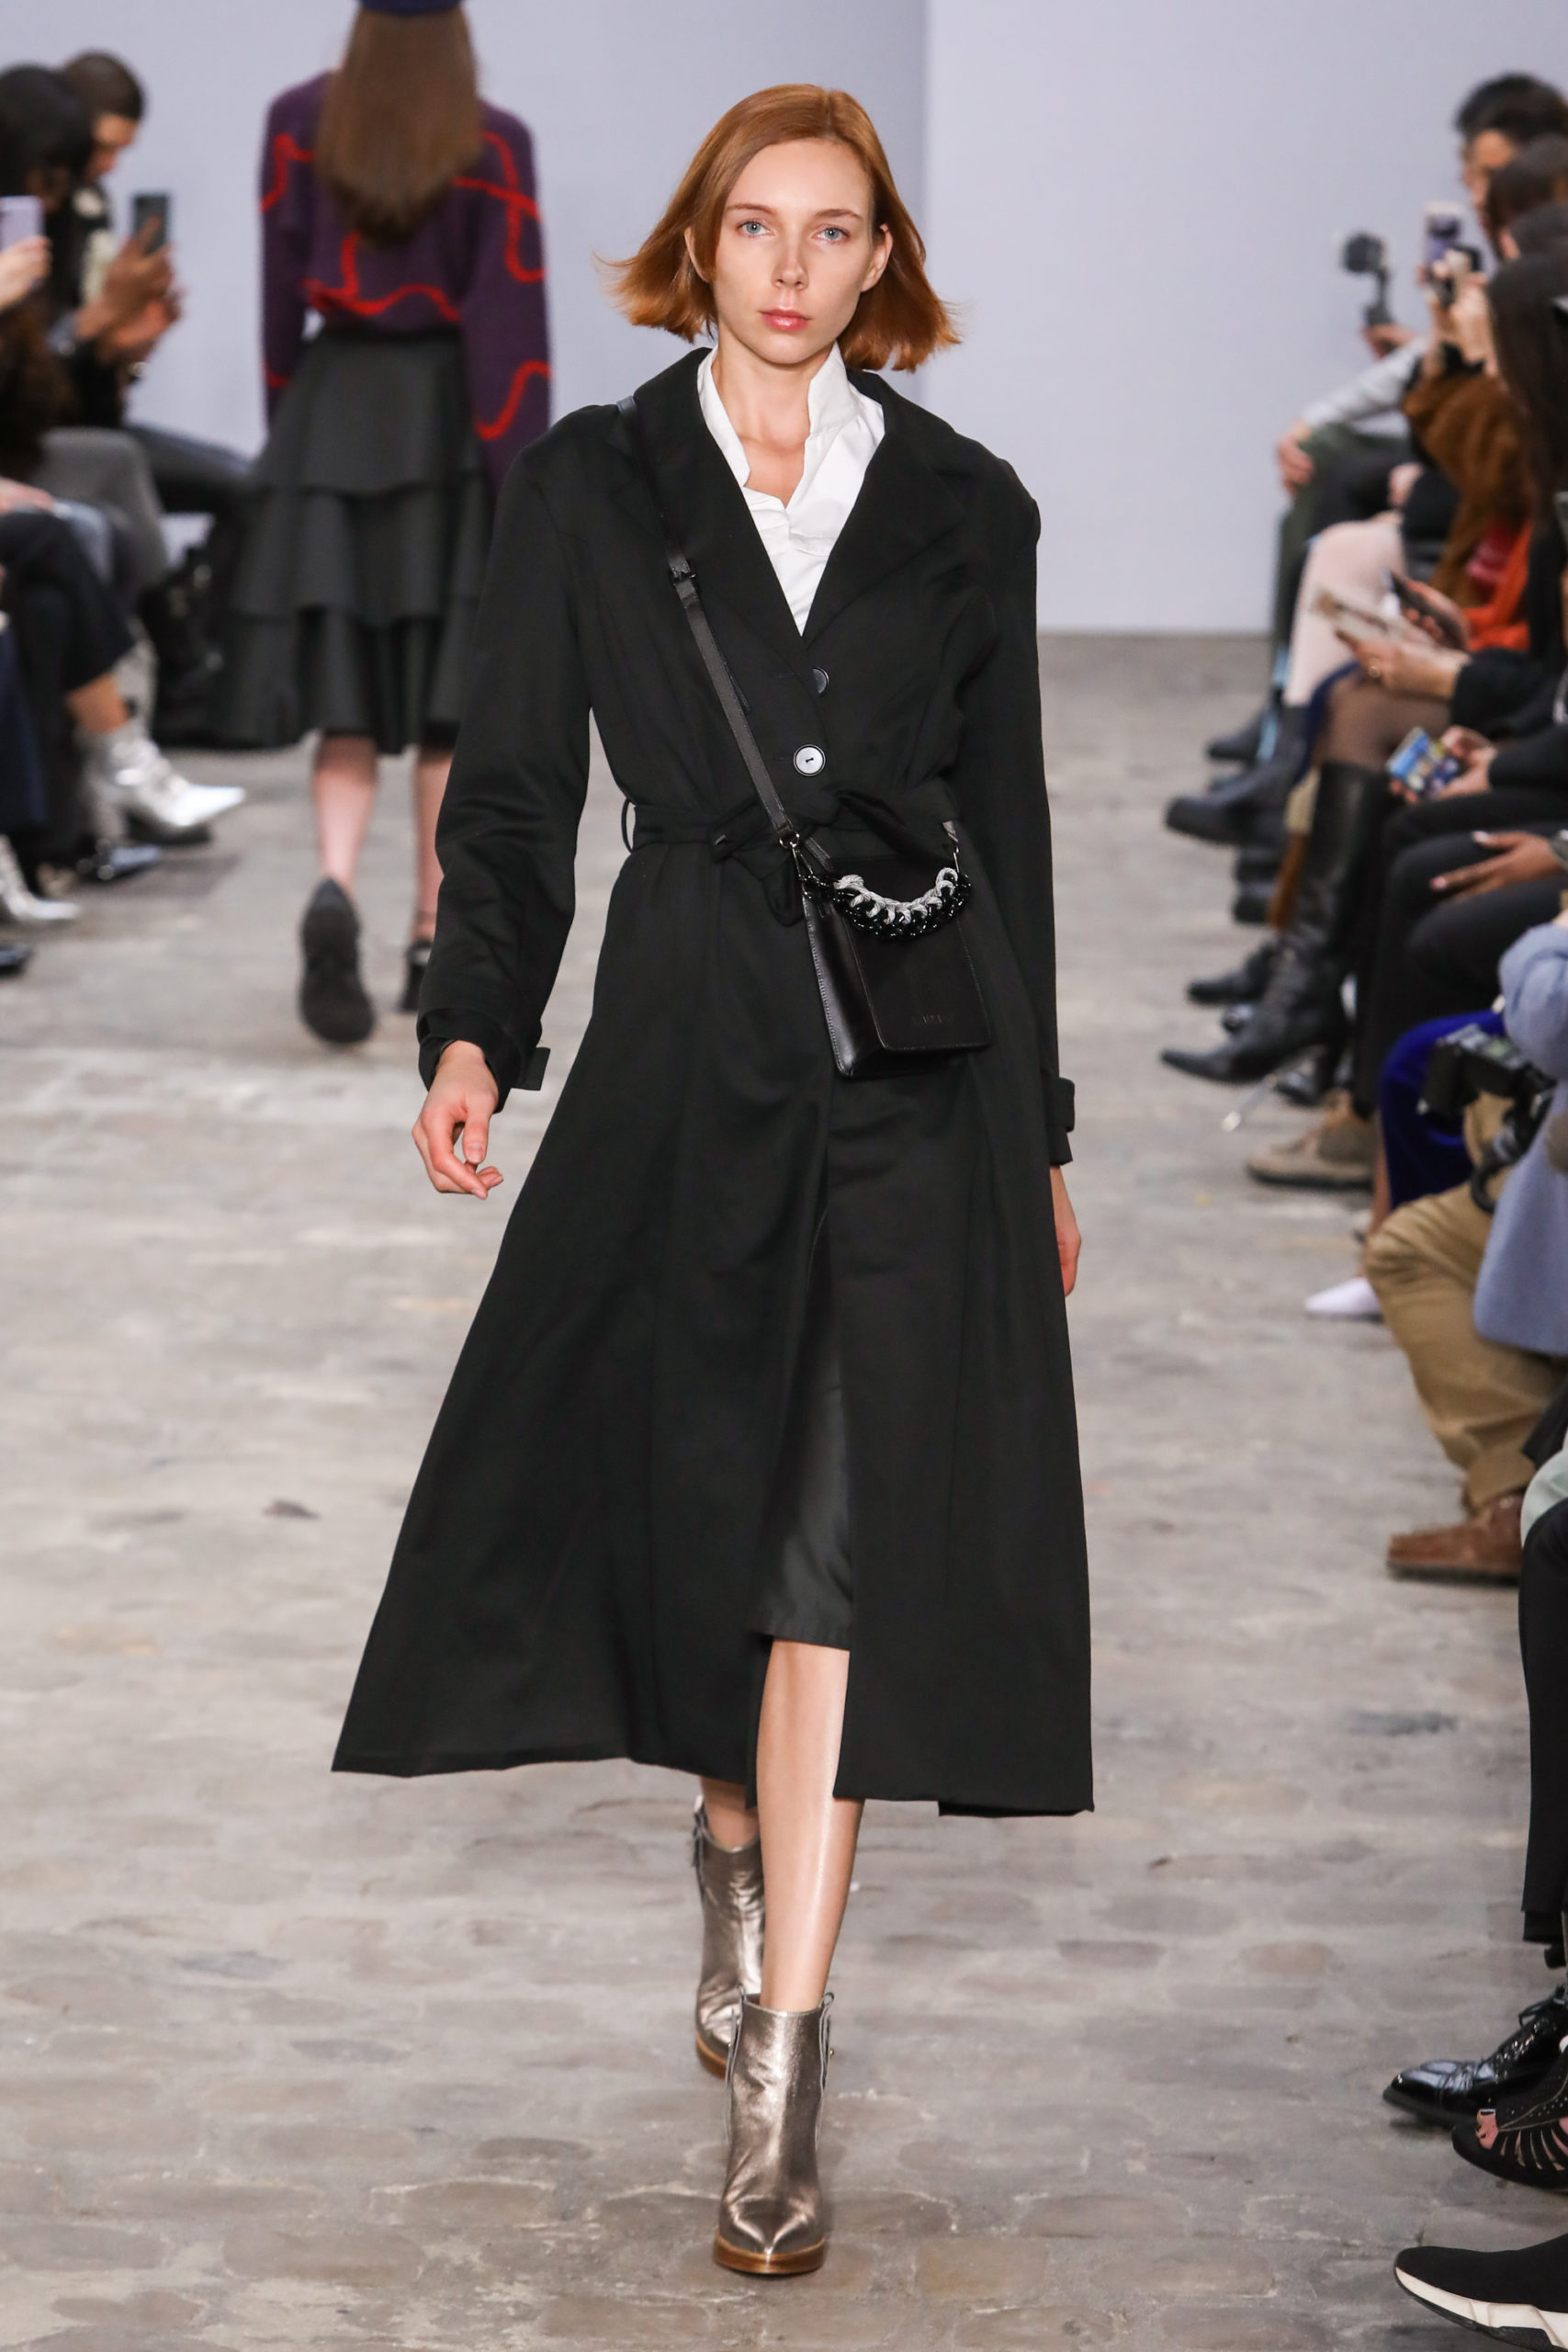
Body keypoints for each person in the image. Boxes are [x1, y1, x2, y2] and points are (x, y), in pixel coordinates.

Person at [332, 84, 1089, 2278]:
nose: (786, 265)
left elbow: (1009, 831)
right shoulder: (594, 479)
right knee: (714, 1512)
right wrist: (475, 1025)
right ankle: (729, 1839)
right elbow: (512, 787)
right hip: (682, 1043)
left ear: (879, 263)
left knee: (837, 1548)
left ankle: (782, 2060)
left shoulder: (965, 504)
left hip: (911, 1072)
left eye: (829, 230)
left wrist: (1037, 1127)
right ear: (699, 245)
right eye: (753, 224)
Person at [220, 0, 549, 1045]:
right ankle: (427, 937)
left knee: (347, 702)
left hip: (332, 412)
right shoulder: (493, 142)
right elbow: (508, 322)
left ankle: (334, 884)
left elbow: (277, 297)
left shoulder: (295, 122)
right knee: (447, 715)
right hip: (446, 423)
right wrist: (522, 486)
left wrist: (291, 433)